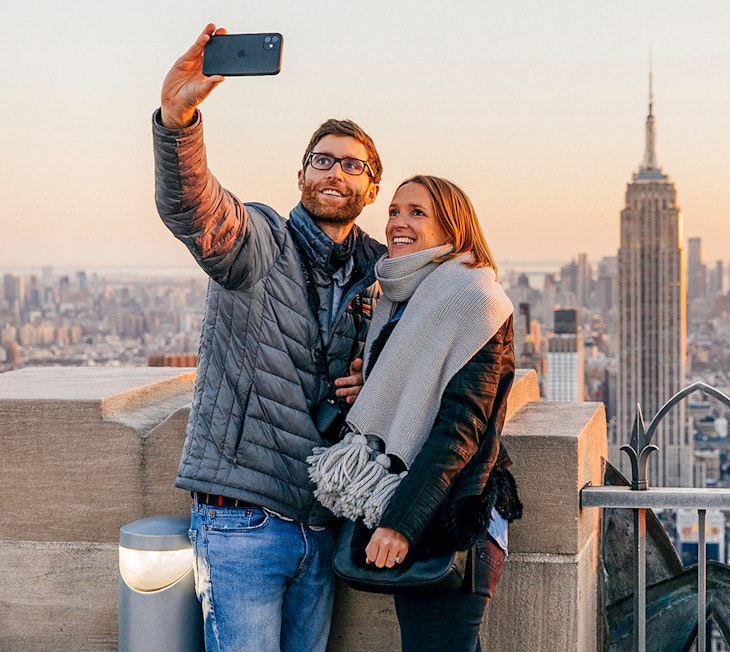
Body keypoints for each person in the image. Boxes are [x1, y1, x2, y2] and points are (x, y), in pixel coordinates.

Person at [153, 24, 383, 651]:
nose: (336, 171)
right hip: (243, 519)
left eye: (352, 164)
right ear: (302, 173)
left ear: (372, 187)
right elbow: (197, 211)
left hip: (324, 521)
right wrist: (179, 121)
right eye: (323, 159)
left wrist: (377, 378)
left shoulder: (383, 274)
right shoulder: (261, 242)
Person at [309, 175, 523, 651]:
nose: (398, 223)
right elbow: (417, 394)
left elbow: (458, 431)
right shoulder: (403, 301)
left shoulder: (474, 301)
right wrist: (374, 387)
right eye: (393, 211)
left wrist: (401, 523)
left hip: (452, 518)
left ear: (454, 228)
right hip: (417, 507)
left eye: (417, 213)